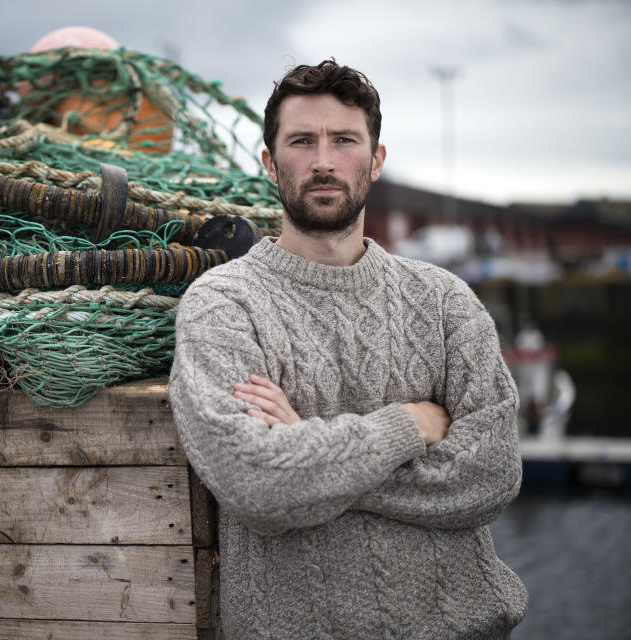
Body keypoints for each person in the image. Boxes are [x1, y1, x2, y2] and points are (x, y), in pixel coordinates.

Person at [168, 59, 528, 639]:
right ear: (269, 164)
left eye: (344, 140)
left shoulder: (443, 302)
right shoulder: (222, 304)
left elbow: (491, 475)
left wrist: (309, 445)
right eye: (302, 141)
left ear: (377, 159)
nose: (324, 161)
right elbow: (258, 485)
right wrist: (409, 425)